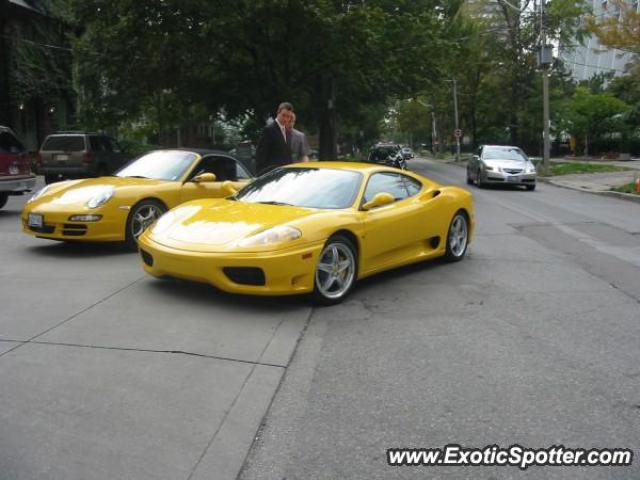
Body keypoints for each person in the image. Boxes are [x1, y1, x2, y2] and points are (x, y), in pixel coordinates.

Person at [255, 102, 294, 174]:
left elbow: (287, 155)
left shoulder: (288, 132)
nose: (285, 119)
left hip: (284, 175)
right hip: (271, 175)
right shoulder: (269, 130)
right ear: (278, 113)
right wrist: (260, 176)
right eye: (283, 115)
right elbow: (261, 155)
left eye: (288, 117)